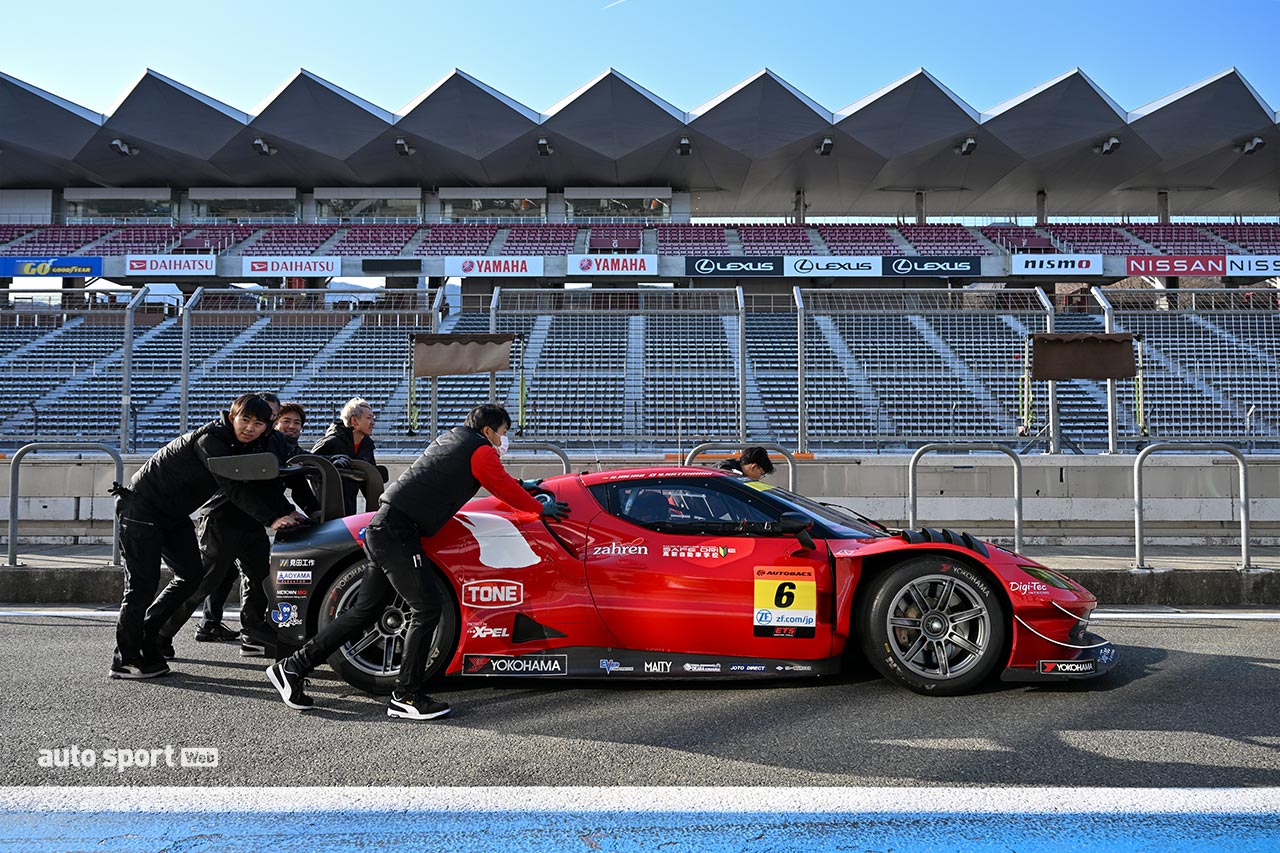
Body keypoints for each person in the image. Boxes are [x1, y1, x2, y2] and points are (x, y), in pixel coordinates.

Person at [267, 404, 570, 720]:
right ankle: (406, 695)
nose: (504, 441)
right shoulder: (480, 450)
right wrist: (538, 508)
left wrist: (525, 489)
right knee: (426, 607)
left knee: (364, 611)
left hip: (384, 529)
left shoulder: (454, 439)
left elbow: (499, 482)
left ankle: (293, 667)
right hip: (398, 533)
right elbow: (500, 484)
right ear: (488, 431)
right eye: (504, 434)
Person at [109, 394, 304, 680]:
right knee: (141, 587)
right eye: (245, 420)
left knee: (190, 576)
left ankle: (149, 639)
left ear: (267, 426)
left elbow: (262, 486)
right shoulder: (211, 439)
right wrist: (272, 519)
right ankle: (125, 659)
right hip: (141, 507)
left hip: (174, 515)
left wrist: (288, 510)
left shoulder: (245, 445)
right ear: (232, 417)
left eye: (258, 423)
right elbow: (234, 488)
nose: (250, 427)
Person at [155, 395, 316, 659]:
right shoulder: (238, 443)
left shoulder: (272, 442)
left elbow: (286, 478)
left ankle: (253, 632)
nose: (273, 422)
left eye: (266, 419)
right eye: (278, 418)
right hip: (223, 519)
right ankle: (160, 633)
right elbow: (237, 489)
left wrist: (298, 511)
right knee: (202, 583)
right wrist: (274, 517)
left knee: (260, 577)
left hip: (251, 521)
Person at [312, 397, 379, 516]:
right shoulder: (332, 441)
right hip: (326, 511)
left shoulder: (367, 446)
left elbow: (368, 482)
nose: (373, 423)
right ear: (354, 421)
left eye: (373, 418)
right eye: (369, 418)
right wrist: (331, 461)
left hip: (350, 510)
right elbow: (310, 462)